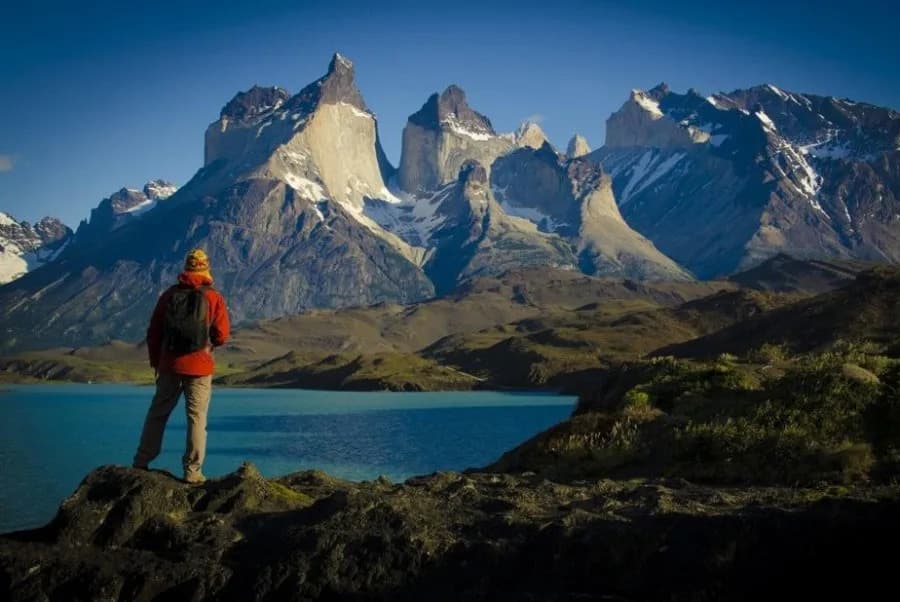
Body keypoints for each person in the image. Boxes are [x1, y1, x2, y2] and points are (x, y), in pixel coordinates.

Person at [133, 249, 230, 483]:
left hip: (169, 365)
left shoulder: (168, 295)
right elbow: (222, 335)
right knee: (196, 418)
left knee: (157, 414)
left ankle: (141, 461)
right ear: (206, 269)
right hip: (200, 367)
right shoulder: (213, 297)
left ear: (186, 268)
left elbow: (154, 333)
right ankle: (192, 471)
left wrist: (157, 362)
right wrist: (209, 344)